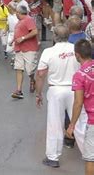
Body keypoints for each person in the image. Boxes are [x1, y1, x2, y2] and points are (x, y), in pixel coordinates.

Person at [35, 25, 85, 168]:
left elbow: (40, 74)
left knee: (55, 124)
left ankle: (53, 157)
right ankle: (89, 153)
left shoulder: (48, 52)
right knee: (80, 123)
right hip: (75, 89)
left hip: (56, 90)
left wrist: (39, 94)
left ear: (55, 37)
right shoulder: (75, 49)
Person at [68, 39, 94, 175]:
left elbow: (78, 102)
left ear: (77, 55)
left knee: (90, 158)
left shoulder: (79, 75)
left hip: (93, 121)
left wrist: (72, 125)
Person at [11, 5, 39, 99]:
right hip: (19, 48)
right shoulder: (20, 22)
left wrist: (23, 38)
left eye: (17, 13)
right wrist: (13, 40)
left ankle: (32, 80)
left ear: (19, 13)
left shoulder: (28, 20)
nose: (16, 14)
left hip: (29, 48)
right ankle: (19, 90)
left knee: (29, 69)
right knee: (18, 68)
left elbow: (34, 31)